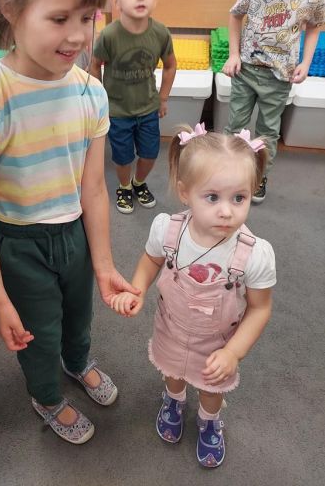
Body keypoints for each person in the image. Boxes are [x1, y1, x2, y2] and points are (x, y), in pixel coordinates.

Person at [0, 0, 138, 445]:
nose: (78, 36)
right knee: (36, 333)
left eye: (87, 17)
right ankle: (47, 395)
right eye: (59, 18)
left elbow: (95, 188)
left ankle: (78, 363)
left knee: (79, 316)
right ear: (8, 8)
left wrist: (103, 263)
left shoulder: (90, 92)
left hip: (74, 231)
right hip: (19, 243)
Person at [111, 124, 275, 468]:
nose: (227, 211)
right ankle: (173, 398)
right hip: (171, 326)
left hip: (218, 342)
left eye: (239, 198)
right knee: (172, 369)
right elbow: (151, 260)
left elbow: (260, 309)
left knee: (212, 387)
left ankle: (209, 419)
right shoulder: (168, 230)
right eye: (212, 197)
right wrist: (136, 289)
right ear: (185, 192)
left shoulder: (254, 254)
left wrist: (233, 352)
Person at [223, 0, 325, 203]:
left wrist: (306, 62)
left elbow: (314, 27)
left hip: (280, 75)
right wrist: (233, 54)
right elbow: (235, 16)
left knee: (268, 131)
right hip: (246, 69)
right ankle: (228, 171)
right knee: (235, 126)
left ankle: (258, 177)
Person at [91, 0, 177, 214]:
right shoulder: (109, 35)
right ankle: (124, 186)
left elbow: (171, 65)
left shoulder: (161, 33)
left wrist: (163, 98)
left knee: (150, 154)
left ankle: (139, 183)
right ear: (116, 1)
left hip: (148, 108)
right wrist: (99, 100)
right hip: (118, 111)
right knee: (122, 156)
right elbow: (94, 65)